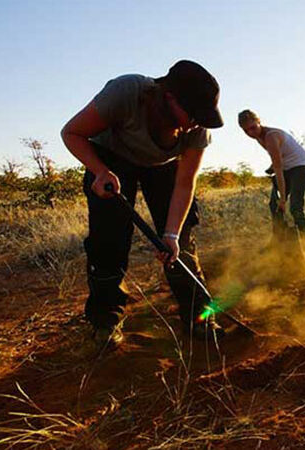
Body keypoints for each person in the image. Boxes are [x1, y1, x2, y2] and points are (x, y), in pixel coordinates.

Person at [61, 60, 225, 348]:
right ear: (170, 98)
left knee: (181, 242)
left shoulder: (197, 131)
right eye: (194, 114)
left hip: (163, 168)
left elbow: (185, 183)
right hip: (110, 160)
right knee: (108, 241)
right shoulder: (126, 92)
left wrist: (171, 235)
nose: (198, 122)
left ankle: (199, 315)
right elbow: (72, 133)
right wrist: (99, 171)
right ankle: (106, 320)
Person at [238, 110, 305, 237]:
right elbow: (278, 158)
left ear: (259, 121)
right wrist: (272, 167)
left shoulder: (271, 136)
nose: (251, 133)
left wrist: (283, 199)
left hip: (301, 168)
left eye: (253, 127)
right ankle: (279, 242)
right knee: (274, 205)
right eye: (246, 131)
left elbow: (278, 168)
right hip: (287, 169)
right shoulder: (259, 137)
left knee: (295, 206)